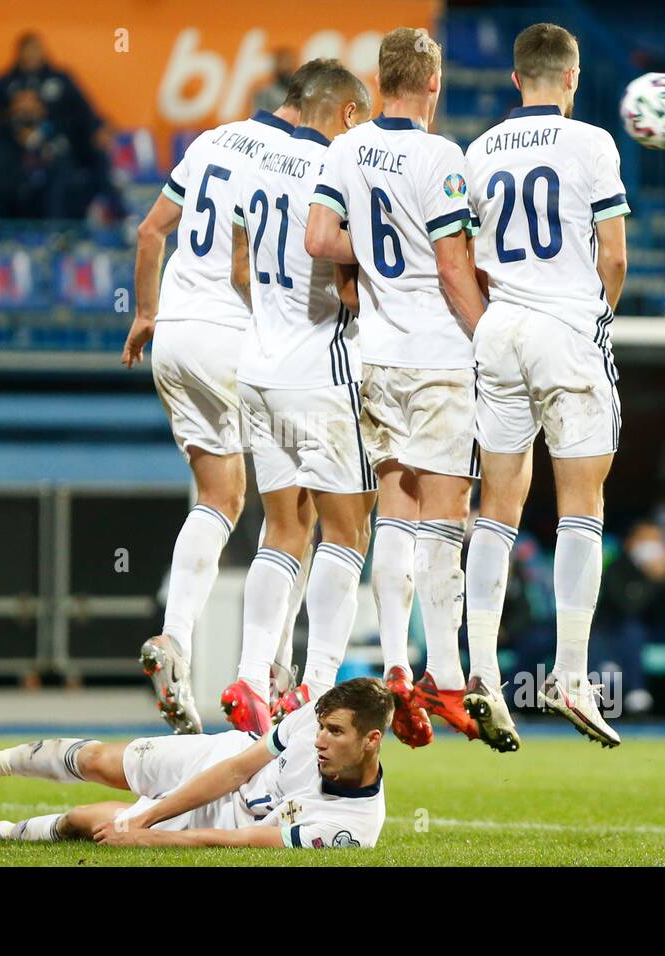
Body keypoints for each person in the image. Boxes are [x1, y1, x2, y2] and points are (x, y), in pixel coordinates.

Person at [121, 60, 330, 734]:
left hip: (175, 338)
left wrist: (145, 313)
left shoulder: (211, 140)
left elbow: (150, 231)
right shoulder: (302, 161)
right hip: (239, 339)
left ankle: (174, 639)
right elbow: (253, 269)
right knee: (297, 510)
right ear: (310, 111)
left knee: (220, 497)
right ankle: (268, 671)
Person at [305, 27, 489, 750]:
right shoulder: (442, 156)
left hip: (374, 356)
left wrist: (379, 255)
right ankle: (447, 681)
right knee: (448, 515)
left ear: (378, 81)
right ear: (434, 85)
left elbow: (321, 240)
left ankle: (396, 667)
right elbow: (451, 270)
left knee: (397, 512)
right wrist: (492, 342)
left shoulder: (344, 149)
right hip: (439, 355)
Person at [462, 22, 630, 749]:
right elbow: (614, 257)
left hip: (499, 327)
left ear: (514, 79)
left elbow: (465, 256)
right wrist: (596, 317)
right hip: (564, 326)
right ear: (572, 77)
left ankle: (480, 670)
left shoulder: (478, 149)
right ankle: (568, 672)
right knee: (581, 500)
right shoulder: (592, 142)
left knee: (496, 504)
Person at [222, 63, 375, 733]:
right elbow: (348, 291)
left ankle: (253, 677)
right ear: (346, 114)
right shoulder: (342, 169)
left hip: (257, 366)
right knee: (349, 530)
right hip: (319, 371)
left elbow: (238, 269)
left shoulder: (258, 161)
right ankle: (316, 689)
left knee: (285, 526)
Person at [0, 677, 390, 850]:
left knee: (84, 823)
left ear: (371, 741)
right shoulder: (314, 718)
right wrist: (148, 817)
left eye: (335, 733)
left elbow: (242, 839)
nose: (320, 740)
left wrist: (144, 831)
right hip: (219, 759)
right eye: (321, 727)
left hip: (230, 817)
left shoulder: (350, 828)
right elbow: (236, 769)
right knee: (97, 760)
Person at [0, 33, 119, 220]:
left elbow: (84, 113)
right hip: (13, 148)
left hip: (56, 144)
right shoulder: (6, 82)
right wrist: (11, 115)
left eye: (36, 50)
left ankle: (116, 217)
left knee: (86, 163)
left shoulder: (61, 80)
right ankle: (3, 229)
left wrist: (99, 128)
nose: (32, 55)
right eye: (27, 50)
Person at [595, 521, 665, 715]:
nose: (651, 547)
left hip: (655, 628)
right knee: (632, 629)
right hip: (619, 631)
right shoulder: (617, 568)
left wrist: (661, 578)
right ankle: (637, 692)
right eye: (645, 540)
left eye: (656, 541)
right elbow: (628, 608)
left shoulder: (663, 570)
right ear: (631, 543)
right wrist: (648, 579)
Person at [253, 48, 299, 114]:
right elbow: (259, 118)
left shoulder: (301, 94)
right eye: (283, 62)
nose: (287, 67)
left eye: (289, 62)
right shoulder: (265, 93)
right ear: (276, 65)